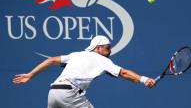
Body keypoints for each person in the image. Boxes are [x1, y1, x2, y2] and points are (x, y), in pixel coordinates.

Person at [13, 35, 155, 108]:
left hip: (53, 93)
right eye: (107, 47)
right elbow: (123, 73)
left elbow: (50, 60)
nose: (110, 51)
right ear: (97, 48)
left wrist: (30, 75)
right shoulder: (102, 59)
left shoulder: (75, 54)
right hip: (69, 93)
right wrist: (144, 79)